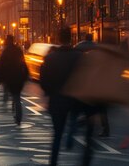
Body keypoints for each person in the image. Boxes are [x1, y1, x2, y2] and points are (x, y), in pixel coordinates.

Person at [40, 29, 84, 166]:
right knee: (73, 119)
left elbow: (44, 79)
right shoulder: (79, 56)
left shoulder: (50, 58)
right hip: (74, 99)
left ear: (58, 39)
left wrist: (48, 92)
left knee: (57, 134)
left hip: (56, 99)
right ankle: (71, 134)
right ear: (71, 39)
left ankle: (53, 162)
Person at [0, 35, 28, 125]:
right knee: (17, 96)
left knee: (13, 95)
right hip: (18, 76)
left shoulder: (5, 51)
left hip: (9, 77)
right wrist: (25, 74)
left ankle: (16, 114)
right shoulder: (18, 50)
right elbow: (23, 62)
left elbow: (1, 65)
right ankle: (18, 116)